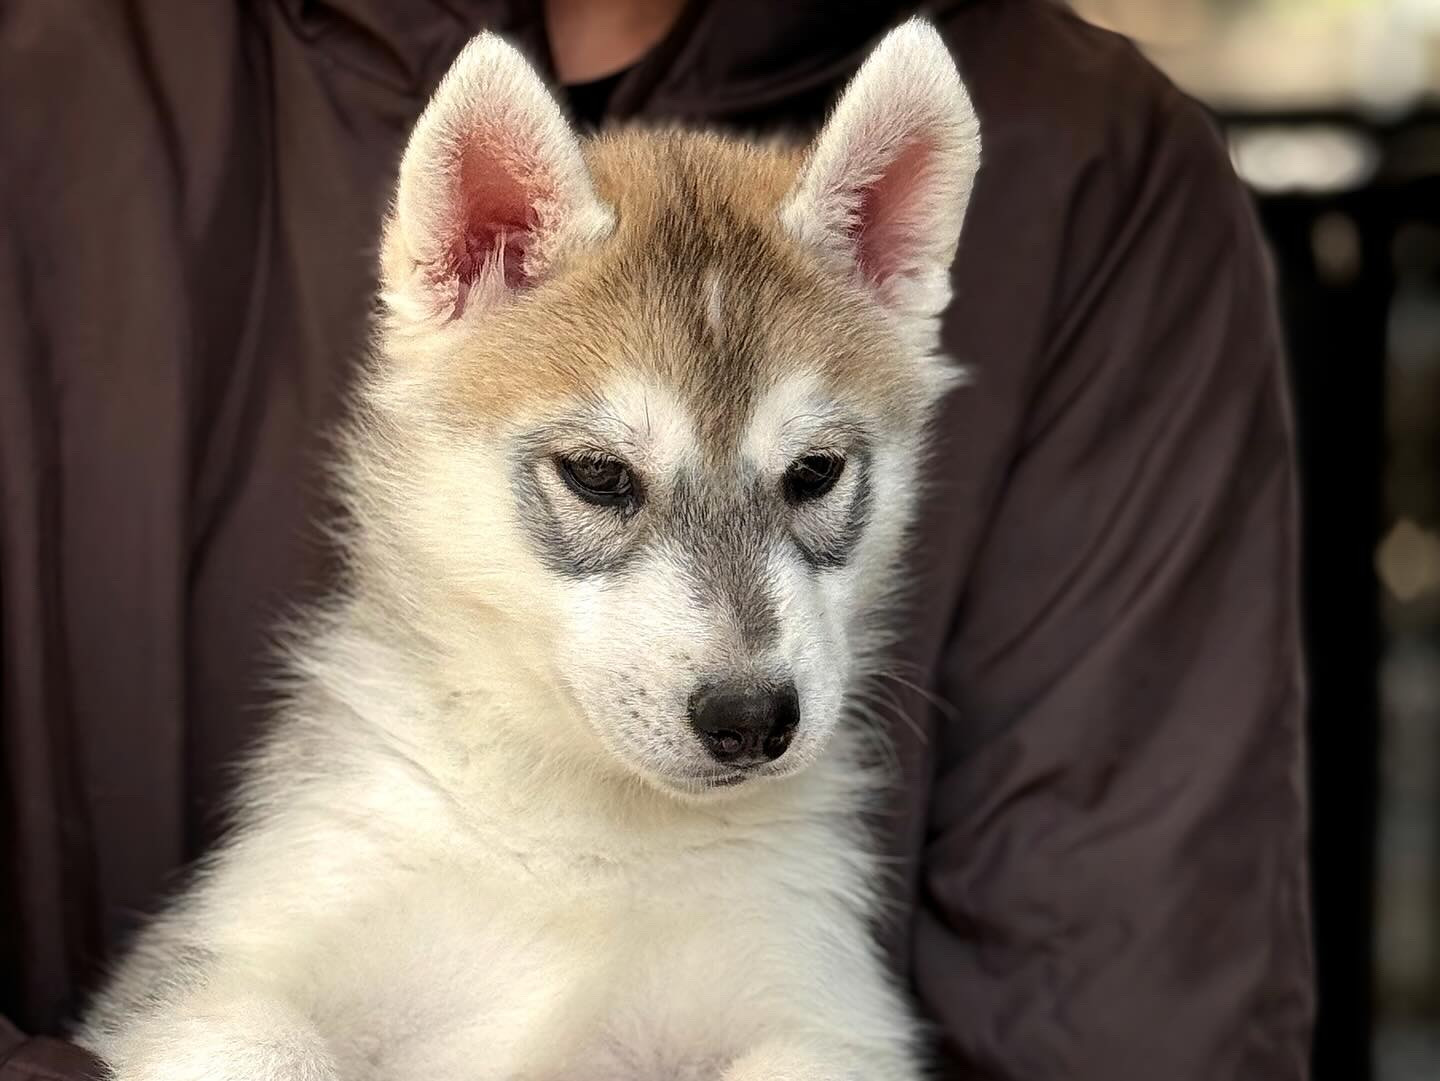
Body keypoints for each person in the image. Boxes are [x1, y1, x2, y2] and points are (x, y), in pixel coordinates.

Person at [0, 1, 1312, 1077]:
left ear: (891, 268)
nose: (745, 661)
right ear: (464, 262)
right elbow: (194, 1021)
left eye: (811, 477)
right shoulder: (60, 67)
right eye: (599, 480)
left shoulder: (1109, 175)